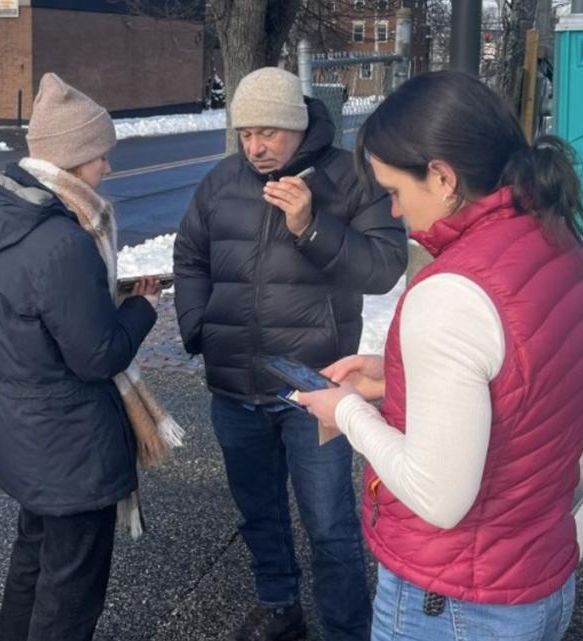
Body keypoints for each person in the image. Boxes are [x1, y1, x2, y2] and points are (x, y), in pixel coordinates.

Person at [294, 71, 583, 641]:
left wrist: (346, 413)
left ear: (441, 177)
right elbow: (518, 386)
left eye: (394, 190)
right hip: (535, 580)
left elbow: (439, 497)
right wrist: (396, 381)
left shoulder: (451, 292)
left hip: (452, 602)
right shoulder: (558, 242)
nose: (393, 212)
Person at [173, 67, 408, 641]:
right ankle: (279, 603)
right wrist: (198, 327)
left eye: (269, 133)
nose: (255, 147)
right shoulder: (222, 181)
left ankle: (346, 628)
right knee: (259, 512)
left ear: (298, 126)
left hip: (314, 385)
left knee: (329, 523)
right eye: (246, 132)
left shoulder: (350, 178)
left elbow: (382, 269)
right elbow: (190, 256)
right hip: (233, 384)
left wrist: (309, 225)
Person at [0, 73, 174, 641]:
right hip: (73, 448)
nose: (107, 168)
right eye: (101, 155)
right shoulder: (62, 241)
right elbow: (98, 355)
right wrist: (143, 307)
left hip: (28, 441)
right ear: (75, 158)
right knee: (71, 595)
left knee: (32, 567)